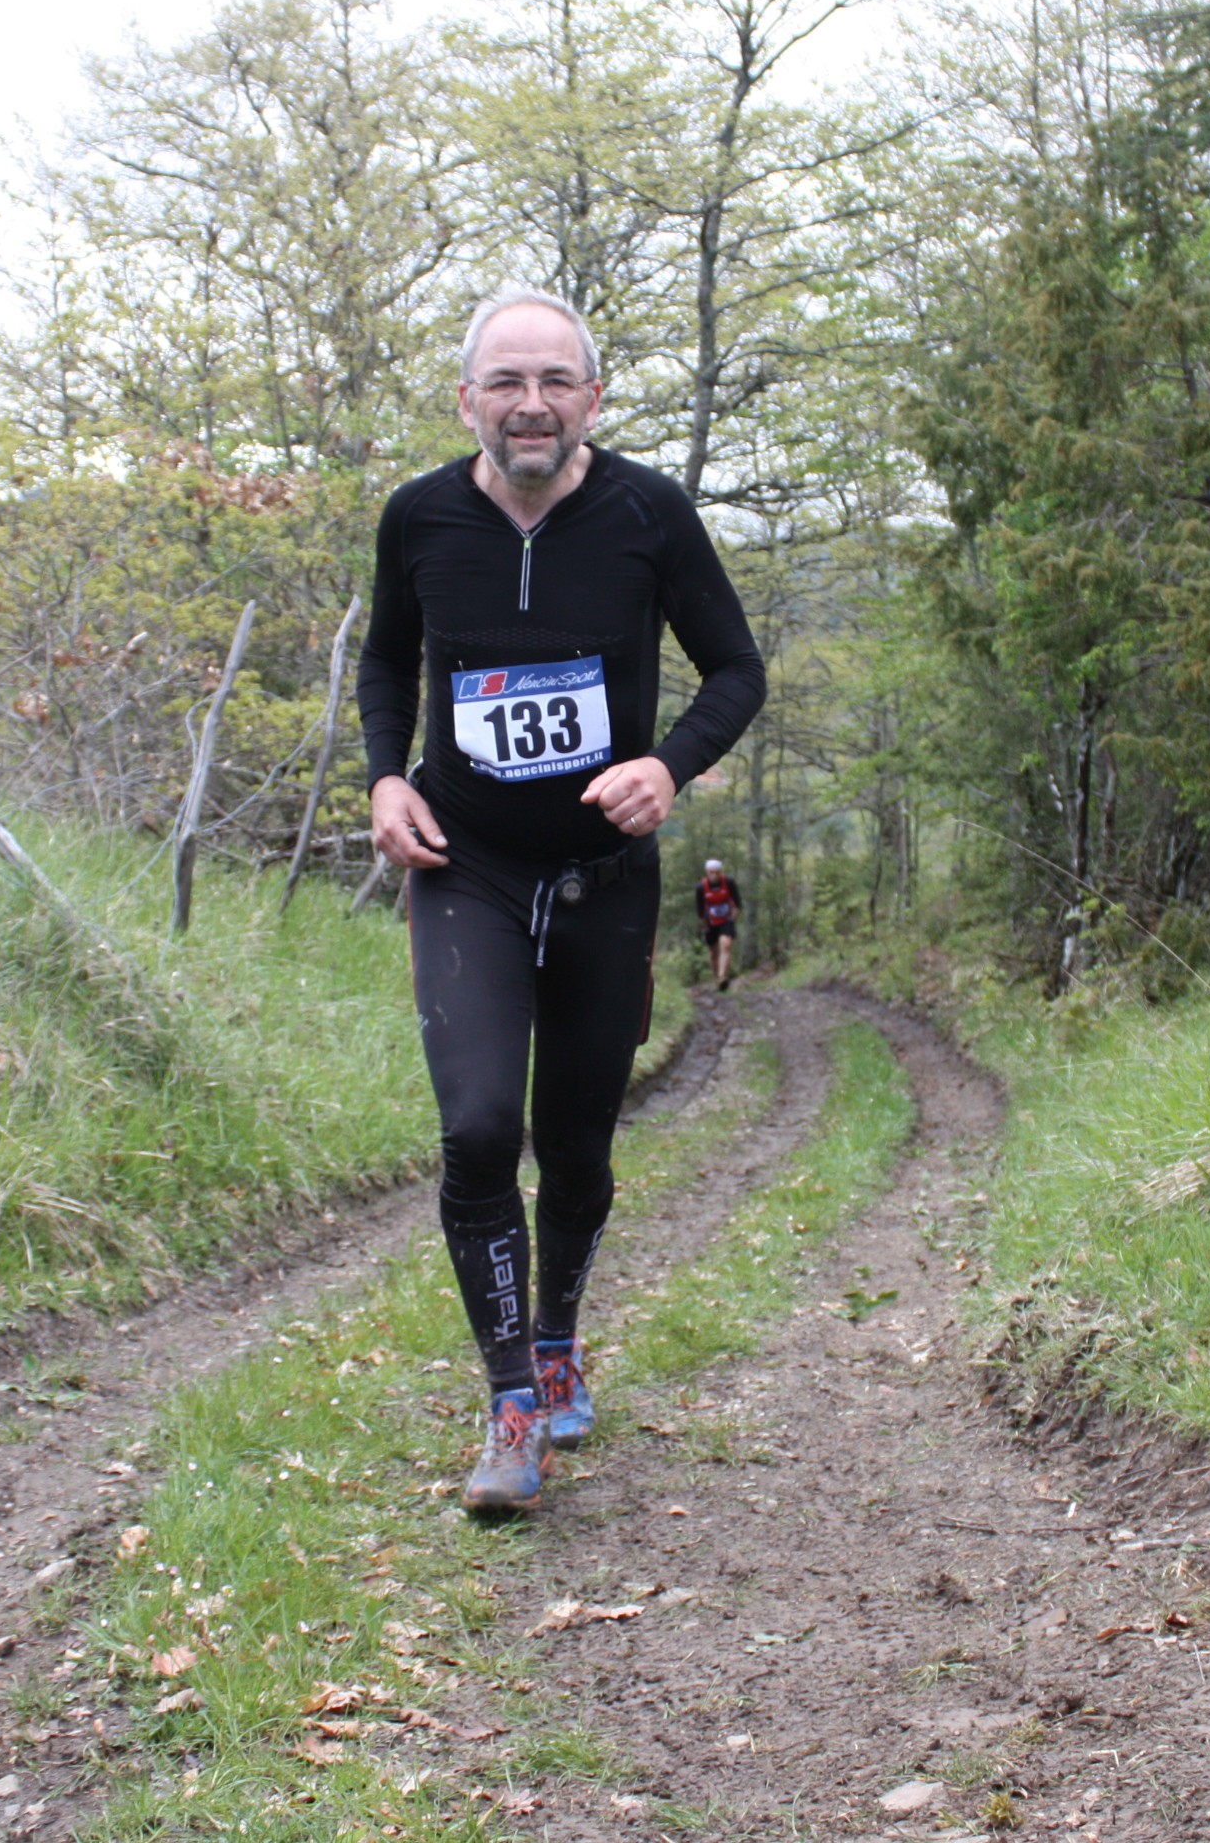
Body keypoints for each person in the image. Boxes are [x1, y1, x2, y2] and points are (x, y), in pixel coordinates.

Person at [359, 282, 765, 1514]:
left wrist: (665, 764)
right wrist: (384, 778)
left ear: (593, 396)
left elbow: (736, 669)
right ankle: (511, 1407)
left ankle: (559, 1332)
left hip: (601, 880)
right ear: (467, 400)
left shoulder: (649, 512)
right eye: (505, 382)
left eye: (553, 383)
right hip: (465, 868)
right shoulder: (419, 516)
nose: (529, 405)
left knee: (578, 1148)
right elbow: (386, 656)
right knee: (481, 1127)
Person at [693, 859, 742, 991]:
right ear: (707, 872)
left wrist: (732, 919)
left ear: (721, 872)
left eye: (717, 872)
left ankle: (722, 976)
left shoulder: (729, 882)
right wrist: (705, 926)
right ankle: (717, 979)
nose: (714, 875)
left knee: (726, 945)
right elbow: (700, 911)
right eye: (711, 873)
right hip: (710, 922)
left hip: (726, 919)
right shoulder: (701, 887)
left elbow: (738, 904)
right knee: (714, 952)